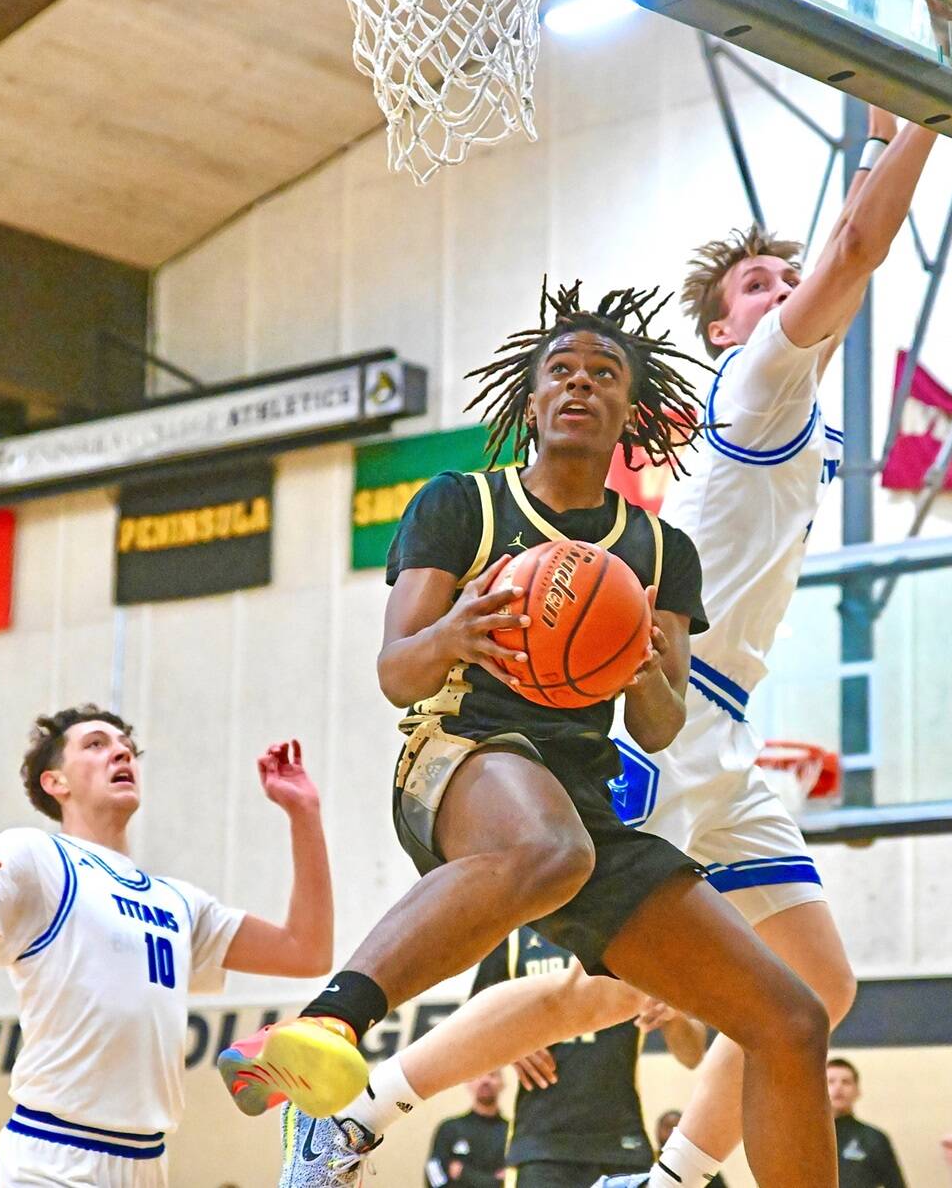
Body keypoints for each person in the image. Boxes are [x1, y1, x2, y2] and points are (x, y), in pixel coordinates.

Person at [264, 106, 940, 1188]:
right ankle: (360, 1102)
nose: (782, 291)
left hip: (705, 712)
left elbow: (845, 254)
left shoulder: (732, 468)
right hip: (567, 734)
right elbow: (852, 249)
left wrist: (871, 143)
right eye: (755, 287)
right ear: (723, 333)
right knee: (601, 977)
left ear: (630, 399)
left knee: (809, 993)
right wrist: (925, 120)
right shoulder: (758, 382)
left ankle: (668, 1175)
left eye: (783, 276)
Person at [223, 280, 839, 1188]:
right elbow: (398, 672)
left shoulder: (661, 552)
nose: (580, 385)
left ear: (633, 408)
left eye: (602, 374)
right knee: (549, 847)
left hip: (583, 806)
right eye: (561, 372)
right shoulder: (462, 504)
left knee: (791, 1018)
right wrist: (454, 633)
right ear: (534, 398)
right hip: (455, 752)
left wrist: (653, 674)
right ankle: (327, 1022)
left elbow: (656, 729)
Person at [0, 706, 333, 1188]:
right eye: (96, 744)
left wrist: (303, 814)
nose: (120, 751)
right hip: (52, 1154)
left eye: (126, 747)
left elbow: (306, 951)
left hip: (148, 1162)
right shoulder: (35, 856)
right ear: (55, 782)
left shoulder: (179, 901)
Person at [471, 926, 707, 1188]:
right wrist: (509, 1041)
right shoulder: (516, 935)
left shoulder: (634, 928)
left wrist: (673, 1014)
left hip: (623, 1144)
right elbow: (471, 1023)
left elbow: (693, 1054)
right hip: (541, 1148)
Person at [826, 1058, 906, 1188]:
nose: (838, 1087)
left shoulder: (874, 1138)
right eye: (830, 1082)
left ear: (857, 1091)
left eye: (846, 1082)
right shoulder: (804, 1139)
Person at [423, 1070, 510, 1187]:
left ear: (502, 1083)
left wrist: (463, 1173)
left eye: (492, 1075)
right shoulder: (450, 1128)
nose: (485, 1080)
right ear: (468, 1083)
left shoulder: (513, 1132)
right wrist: (493, 1180)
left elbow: (512, 1179)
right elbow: (433, 1173)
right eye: (478, 1075)